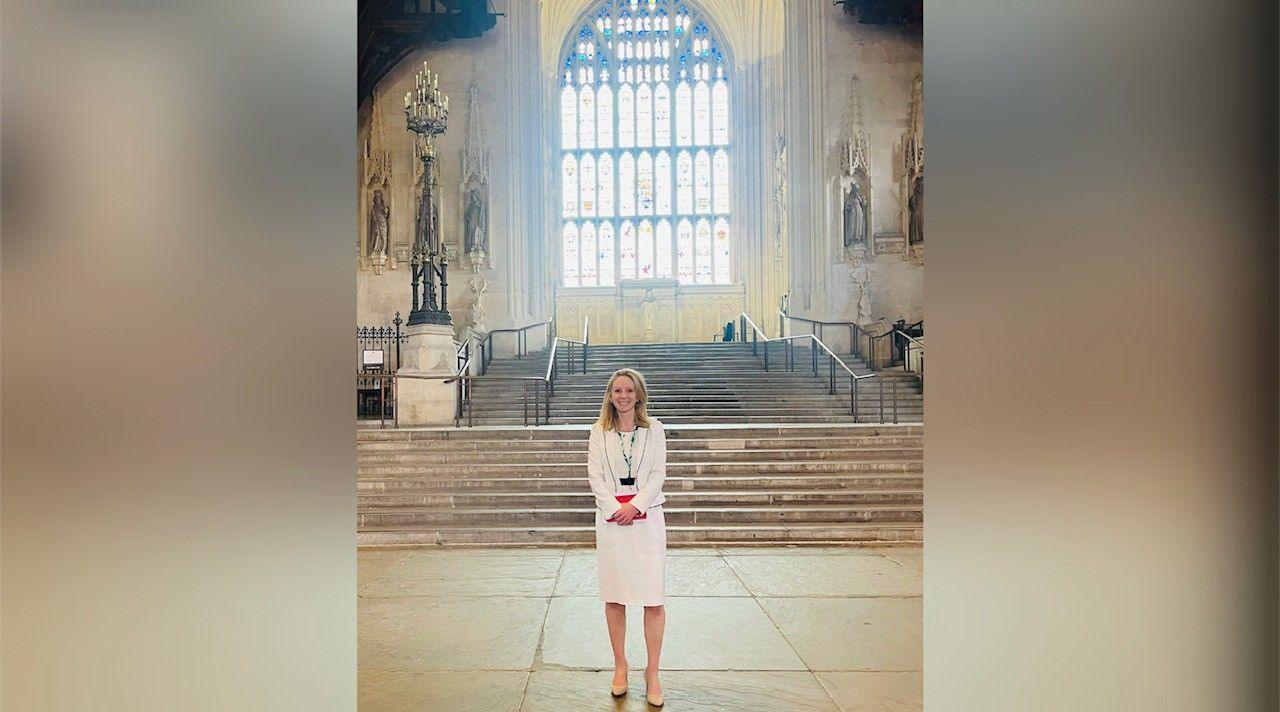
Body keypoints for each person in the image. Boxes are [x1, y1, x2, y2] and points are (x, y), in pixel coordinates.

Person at [586, 368, 667, 707]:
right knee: (615, 596)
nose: (623, 396)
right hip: (611, 523)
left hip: (647, 523)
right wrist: (613, 509)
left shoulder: (655, 430)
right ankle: (620, 665)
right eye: (617, 390)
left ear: (639, 396)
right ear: (609, 395)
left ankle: (653, 672)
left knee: (653, 598)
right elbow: (595, 476)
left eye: (629, 391)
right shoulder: (598, 432)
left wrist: (634, 506)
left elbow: (658, 474)